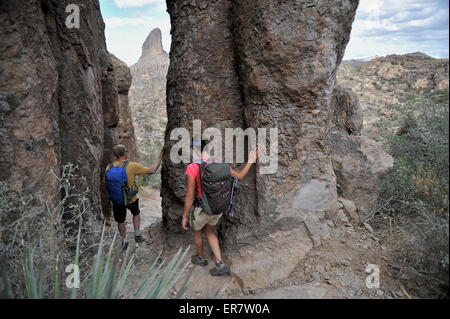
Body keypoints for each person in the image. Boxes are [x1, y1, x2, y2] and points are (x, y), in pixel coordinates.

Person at [181, 140, 259, 276]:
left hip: (201, 209)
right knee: (210, 232)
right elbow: (240, 177)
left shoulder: (193, 167)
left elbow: (189, 195)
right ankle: (220, 263)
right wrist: (251, 160)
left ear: (199, 152)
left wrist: (185, 216)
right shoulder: (222, 166)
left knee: (197, 232)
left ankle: (201, 258)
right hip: (218, 208)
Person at [106, 144, 162, 250]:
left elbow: (107, 184)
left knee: (120, 221)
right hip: (130, 198)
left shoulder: (109, 167)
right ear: (125, 153)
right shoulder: (132, 166)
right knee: (136, 213)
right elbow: (152, 170)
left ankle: (124, 240)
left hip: (117, 199)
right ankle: (137, 235)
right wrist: (159, 158)